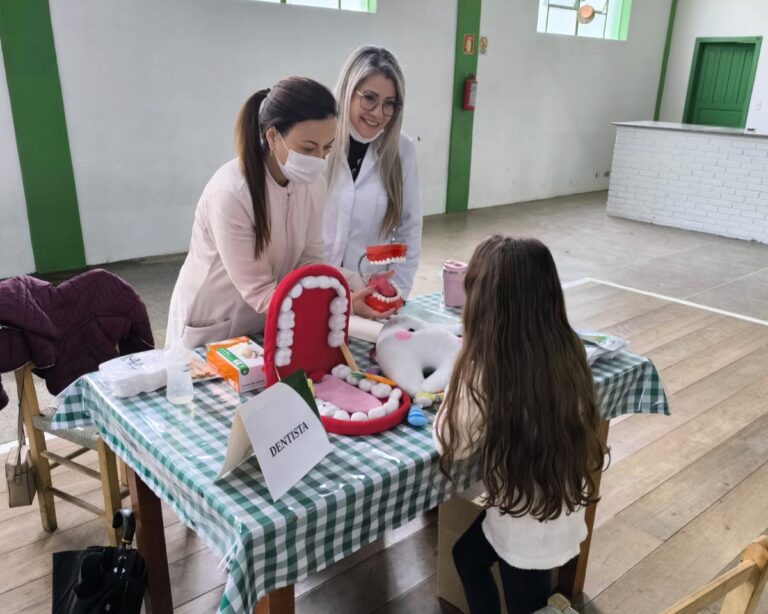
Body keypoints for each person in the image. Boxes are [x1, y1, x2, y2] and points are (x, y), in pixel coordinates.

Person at [434, 235, 607, 614]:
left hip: (525, 529)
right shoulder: (568, 348)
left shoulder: (484, 368)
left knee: (525, 604)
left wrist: (462, 361)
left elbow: (452, 441)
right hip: (553, 507)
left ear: (483, 305)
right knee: (466, 557)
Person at [167, 77, 381, 348]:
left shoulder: (312, 184)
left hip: (269, 320)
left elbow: (309, 262)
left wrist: (351, 286)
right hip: (213, 327)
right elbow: (260, 294)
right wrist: (341, 306)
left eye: (326, 148)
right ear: (272, 136)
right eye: (307, 148)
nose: (318, 160)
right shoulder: (231, 193)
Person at [324, 46, 422, 299]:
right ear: (348, 91)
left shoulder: (402, 150)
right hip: (313, 284)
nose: (378, 113)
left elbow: (408, 228)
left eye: (389, 104)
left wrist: (395, 291)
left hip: (370, 289)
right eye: (369, 98)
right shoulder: (318, 141)